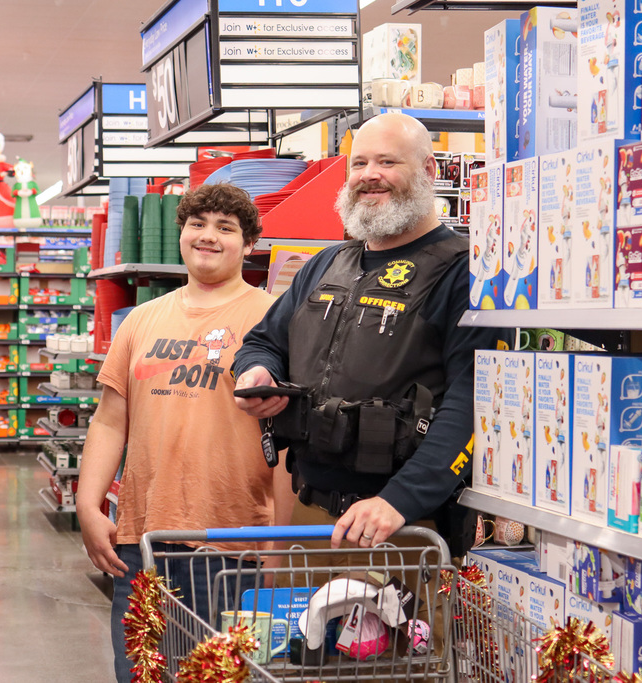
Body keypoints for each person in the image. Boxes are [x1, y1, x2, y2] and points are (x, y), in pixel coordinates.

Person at [232, 112, 507, 555]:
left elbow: (474, 400)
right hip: (311, 519)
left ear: (429, 170)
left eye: (387, 162)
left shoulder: (466, 273)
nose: (370, 176)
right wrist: (258, 372)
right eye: (359, 164)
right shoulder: (325, 265)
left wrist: (400, 500)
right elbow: (263, 342)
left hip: (403, 527)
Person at [75, 183, 295, 683]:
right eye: (198, 224)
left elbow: (286, 442)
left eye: (226, 228)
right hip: (143, 540)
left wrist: (278, 545)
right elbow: (111, 420)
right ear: (182, 232)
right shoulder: (142, 320)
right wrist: (88, 506)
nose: (208, 237)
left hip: (232, 545)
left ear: (250, 244)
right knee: (141, 674)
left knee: (219, 677)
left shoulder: (271, 319)